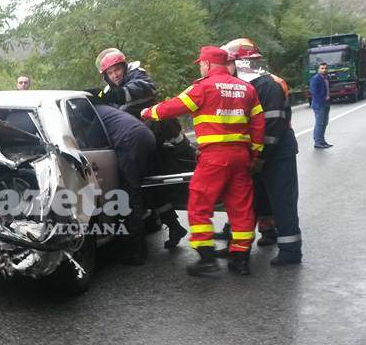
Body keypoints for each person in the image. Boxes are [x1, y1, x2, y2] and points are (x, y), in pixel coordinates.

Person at [141, 46, 265, 276]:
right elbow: (258, 125)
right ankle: (241, 259)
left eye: (201, 63)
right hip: (241, 157)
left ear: (207, 64)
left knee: (199, 203)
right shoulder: (247, 89)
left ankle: (206, 259)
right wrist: (254, 154)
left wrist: (148, 112)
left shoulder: (203, 87)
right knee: (240, 208)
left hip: (214, 157)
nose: (200, 66)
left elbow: (173, 107)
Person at [93, 48, 190, 249]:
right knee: (152, 190)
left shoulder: (139, 76)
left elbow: (137, 92)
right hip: (142, 144)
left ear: (124, 67)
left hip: (163, 139)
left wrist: (107, 94)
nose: (115, 75)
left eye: (117, 70)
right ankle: (174, 226)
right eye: (110, 73)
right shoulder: (111, 90)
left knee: (183, 178)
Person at [221, 38, 302, 265]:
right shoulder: (248, 86)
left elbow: (273, 126)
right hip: (259, 154)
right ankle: (256, 239)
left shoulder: (266, 86)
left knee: (283, 201)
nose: (226, 68)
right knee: (257, 199)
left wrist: (261, 157)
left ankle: (291, 251)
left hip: (277, 153)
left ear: (242, 62)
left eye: (229, 63)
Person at [91, 103, 158, 265]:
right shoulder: (108, 111)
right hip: (145, 135)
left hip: (130, 141)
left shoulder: (92, 114)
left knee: (130, 195)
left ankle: (136, 252)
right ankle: (147, 237)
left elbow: (90, 140)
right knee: (139, 190)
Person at [309, 62, 332, 149]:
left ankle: (322, 141)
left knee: (325, 123)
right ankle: (317, 142)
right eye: (322, 68)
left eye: (325, 68)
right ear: (318, 69)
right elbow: (314, 92)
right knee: (320, 123)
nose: (324, 70)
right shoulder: (315, 79)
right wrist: (322, 100)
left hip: (326, 103)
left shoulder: (325, 78)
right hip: (319, 104)